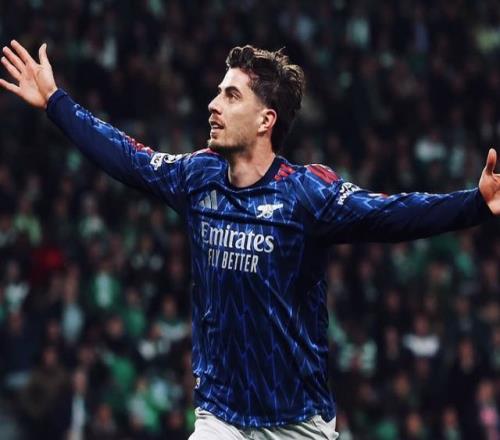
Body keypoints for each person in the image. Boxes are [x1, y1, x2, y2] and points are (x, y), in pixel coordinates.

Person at [1, 40, 499, 440]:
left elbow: (391, 214)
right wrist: (57, 103)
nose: (213, 104)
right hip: (222, 418)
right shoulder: (197, 177)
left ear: (266, 120)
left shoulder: (306, 194)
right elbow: (128, 158)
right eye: (218, 92)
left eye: (231, 96)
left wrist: (474, 203)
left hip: (298, 422)